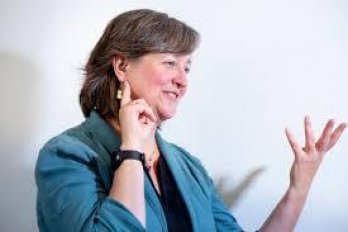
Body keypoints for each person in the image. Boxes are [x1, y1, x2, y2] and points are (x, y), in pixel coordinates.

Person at [35, 9, 346, 232]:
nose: (182, 81)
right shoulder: (67, 155)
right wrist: (131, 150)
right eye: (170, 62)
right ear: (121, 66)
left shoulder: (189, 167)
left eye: (187, 68)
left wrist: (299, 188)